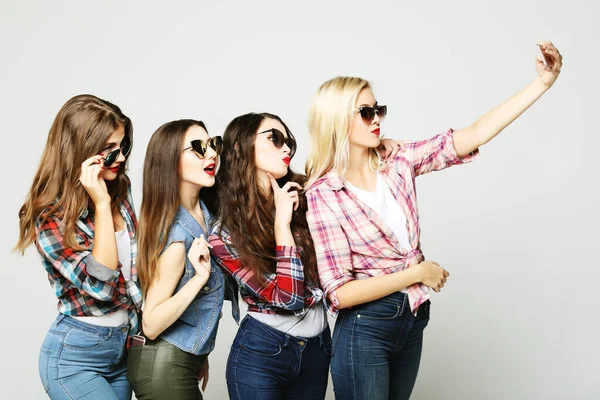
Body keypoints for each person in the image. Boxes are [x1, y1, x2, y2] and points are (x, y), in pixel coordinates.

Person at [304, 41, 563, 399]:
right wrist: (416, 274)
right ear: (337, 119)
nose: (377, 118)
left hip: (412, 316)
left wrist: (542, 83)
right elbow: (340, 292)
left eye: (378, 108)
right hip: (366, 329)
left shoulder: (396, 161)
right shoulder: (324, 193)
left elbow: (472, 135)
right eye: (366, 112)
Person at [16, 94, 141, 399]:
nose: (121, 158)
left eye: (122, 147)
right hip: (75, 357)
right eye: (109, 151)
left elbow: (137, 276)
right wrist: (100, 202)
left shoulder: (121, 191)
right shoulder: (47, 216)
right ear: (80, 153)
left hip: (122, 350)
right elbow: (101, 283)